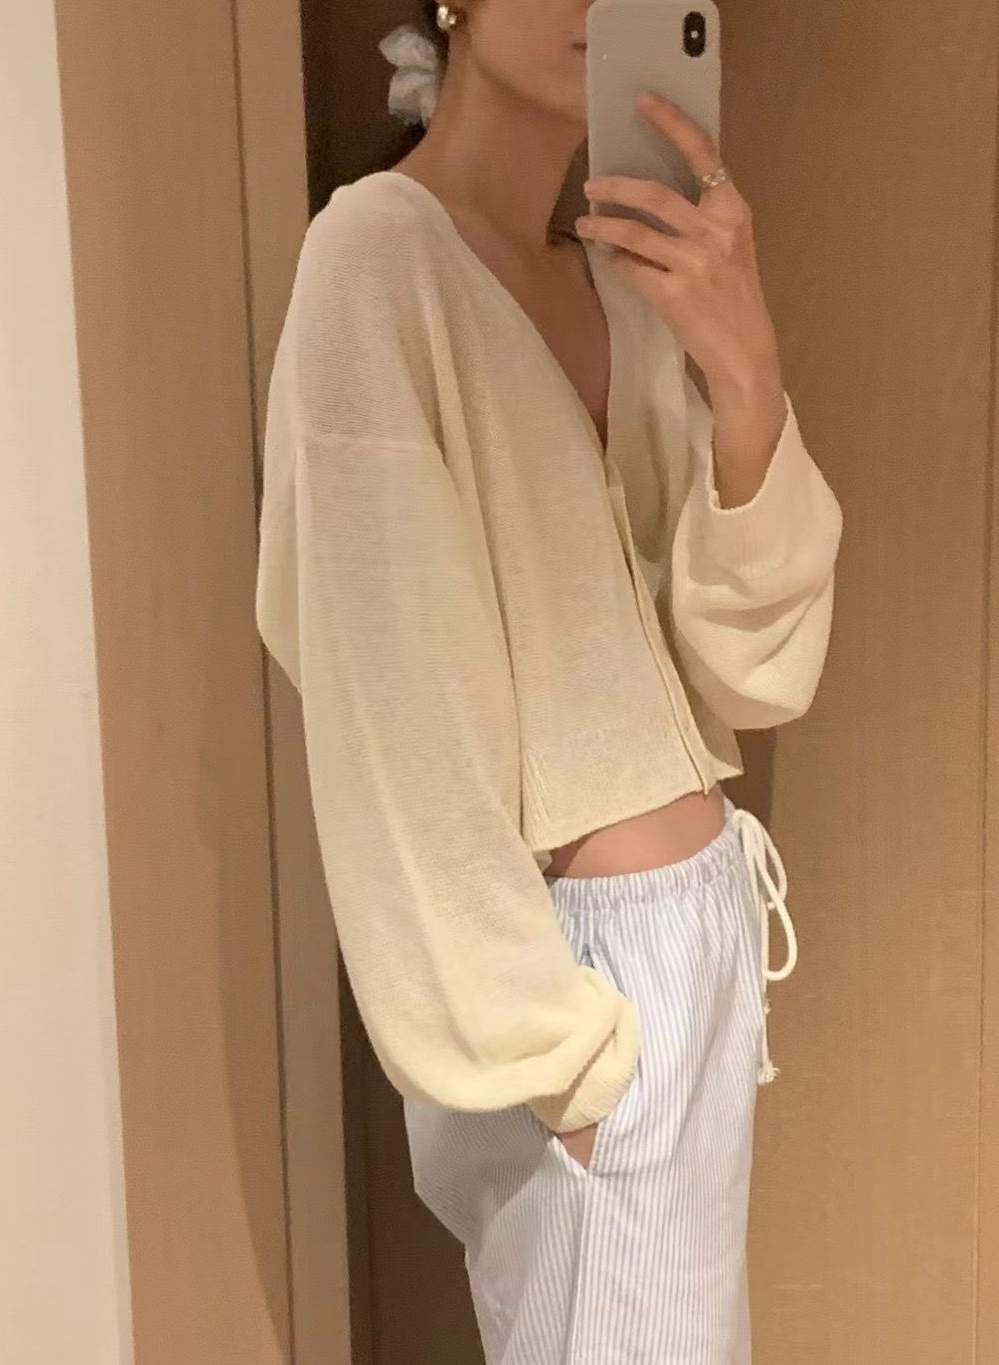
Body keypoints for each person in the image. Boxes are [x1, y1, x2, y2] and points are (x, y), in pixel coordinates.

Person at [255, 2, 843, 1361]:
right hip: (573, 997)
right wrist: (557, 1060)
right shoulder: (375, 261)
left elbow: (750, 665)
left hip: (692, 951)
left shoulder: (615, 280)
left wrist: (745, 369)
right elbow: (389, 710)